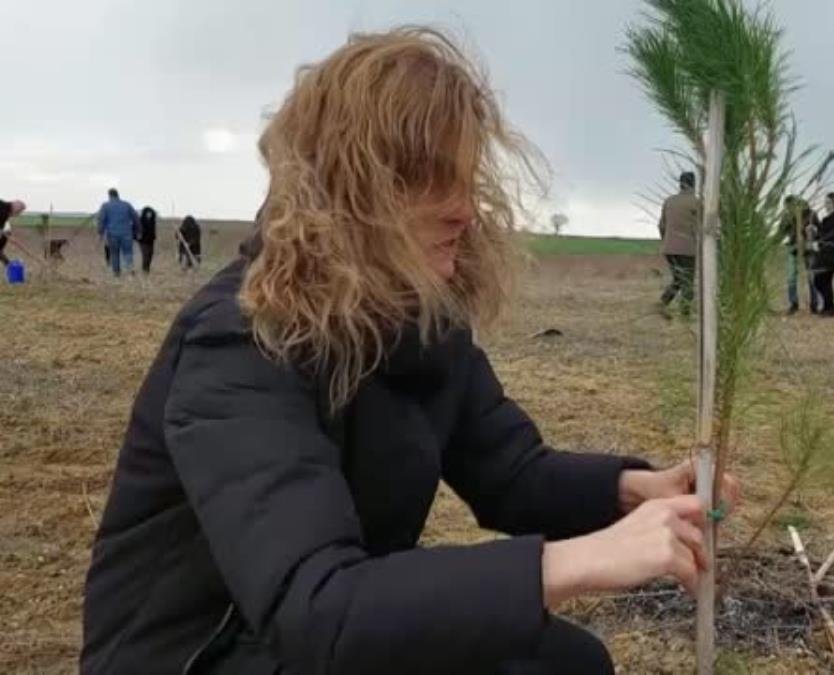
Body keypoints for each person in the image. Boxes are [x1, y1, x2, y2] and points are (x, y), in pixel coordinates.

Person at [81, 28, 738, 675]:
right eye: (430, 180)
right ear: (353, 190)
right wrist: (583, 559)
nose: (464, 211)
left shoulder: (419, 319)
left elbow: (510, 473)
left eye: (465, 176)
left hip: (321, 633)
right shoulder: (240, 340)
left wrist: (635, 491)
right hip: (203, 650)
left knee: (567, 662)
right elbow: (318, 605)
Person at [657, 171, 701, 317]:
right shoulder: (697, 202)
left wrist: (666, 241)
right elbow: (701, 226)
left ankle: (663, 303)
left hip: (669, 248)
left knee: (678, 278)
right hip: (687, 248)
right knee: (687, 280)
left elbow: (661, 225)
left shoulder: (669, 201)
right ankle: (685, 312)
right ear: (694, 184)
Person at [777, 195, 819, 315]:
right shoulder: (786, 216)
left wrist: (813, 235)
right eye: (787, 207)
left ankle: (814, 304)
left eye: (790, 206)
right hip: (793, 248)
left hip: (809, 248)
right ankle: (794, 304)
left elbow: (819, 230)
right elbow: (780, 233)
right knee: (791, 277)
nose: (788, 208)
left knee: (811, 277)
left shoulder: (811, 214)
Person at [96, 188, 139, 277]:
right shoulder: (127, 205)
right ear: (117, 194)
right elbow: (136, 218)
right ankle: (130, 269)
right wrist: (137, 230)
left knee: (114, 254)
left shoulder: (105, 206)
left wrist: (100, 233)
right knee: (128, 252)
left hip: (112, 234)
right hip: (127, 233)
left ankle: (116, 273)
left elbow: (101, 220)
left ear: (109, 195)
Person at [0, 198, 27, 267]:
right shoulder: (3, 212)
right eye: (19, 212)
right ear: (15, 209)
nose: (18, 214)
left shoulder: (4, 208)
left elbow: (3, 229)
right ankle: (9, 265)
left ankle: (9, 265)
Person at [138, 205, 158, 273]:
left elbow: (153, 231)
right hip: (143, 241)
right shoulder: (141, 220)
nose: (149, 215)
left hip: (150, 241)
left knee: (150, 254)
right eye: (148, 213)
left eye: (150, 213)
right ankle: (144, 269)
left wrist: (154, 236)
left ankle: (147, 268)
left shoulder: (152, 221)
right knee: (145, 255)